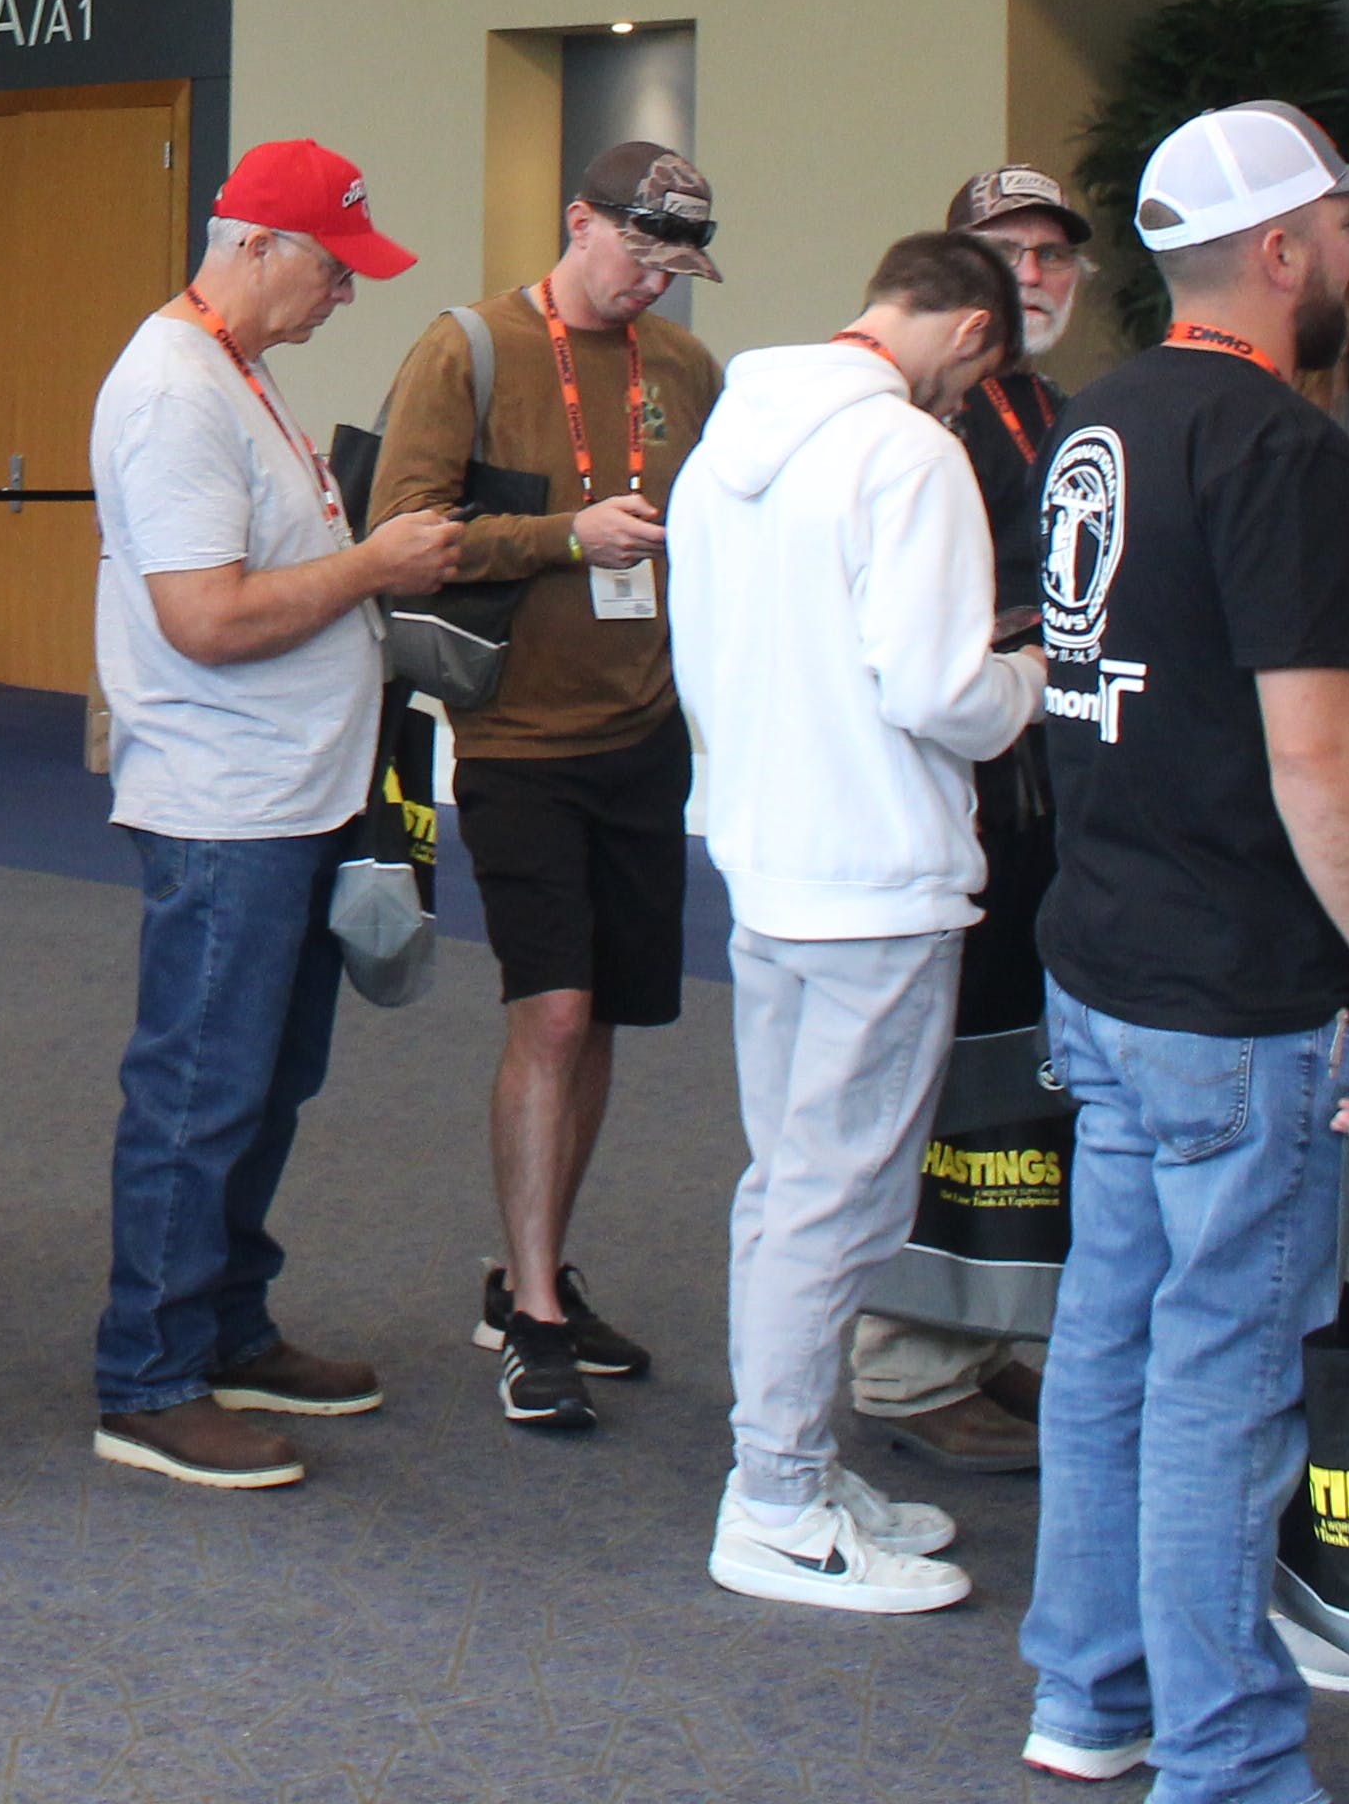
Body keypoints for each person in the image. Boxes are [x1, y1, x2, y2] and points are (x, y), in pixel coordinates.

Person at [1021, 98, 1349, 1795]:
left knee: (1109, 1336)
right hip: (1227, 993)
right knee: (1219, 1372)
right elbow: (1315, 751)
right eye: (1340, 225)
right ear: (1276, 253)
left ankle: (1089, 1690)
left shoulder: (1091, 425)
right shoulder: (1283, 457)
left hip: (1104, 962)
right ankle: (1226, 1757)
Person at [668, 229, 1038, 1614]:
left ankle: (793, 1465)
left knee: (789, 1187)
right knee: (838, 1199)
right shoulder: (907, 452)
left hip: (766, 860)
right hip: (876, 872)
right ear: (970, 336)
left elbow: (700, 654)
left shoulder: (729, 443)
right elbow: (937, 689)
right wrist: (1030, 682)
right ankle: (773, 1501)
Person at [87, 142, 461, 1494]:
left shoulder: (236, 376)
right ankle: (151, 1375)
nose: (345, 294)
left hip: (292, 791)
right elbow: (205, 618)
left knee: (266, 1078)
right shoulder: (176, 391)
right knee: (201, 1083)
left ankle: (227, 1324)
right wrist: (375, 562)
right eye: (332, 266)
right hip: (225, 798)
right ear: (250, 247)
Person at [371, 134, 727, 1425]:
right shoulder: (466, 347)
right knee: (555, 1014)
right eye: (639, 249)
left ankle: (544, 1277)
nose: (655, 281)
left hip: (644, 736)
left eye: (679, 263)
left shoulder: (684, 367)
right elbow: (405, 539)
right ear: (577, 218)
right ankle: (527, 1310)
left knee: (611, 1019)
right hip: (516, 740)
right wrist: (564, 537)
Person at [852, 163, 1097, 1476]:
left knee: (1024, 1077)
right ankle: (901, 1356)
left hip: (1046, 799)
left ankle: (981, 1336)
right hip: (953, 794)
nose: (1038, 275)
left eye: (1056, 255)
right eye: (1010, 253)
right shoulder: (920, 423)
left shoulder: (1057, 409)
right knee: (944, 1074)